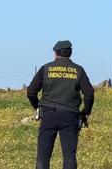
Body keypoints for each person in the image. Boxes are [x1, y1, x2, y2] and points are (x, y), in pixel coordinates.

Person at [27, 40, 94, 169]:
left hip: (48, 114)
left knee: (43, 155)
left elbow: (31, 92)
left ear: (55, 53)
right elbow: (89, 93)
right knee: (69, 156)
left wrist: (37, 107)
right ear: (70, 53)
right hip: (70, 115)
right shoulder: (78, 70)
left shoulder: (46, 68)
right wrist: (86, 111)